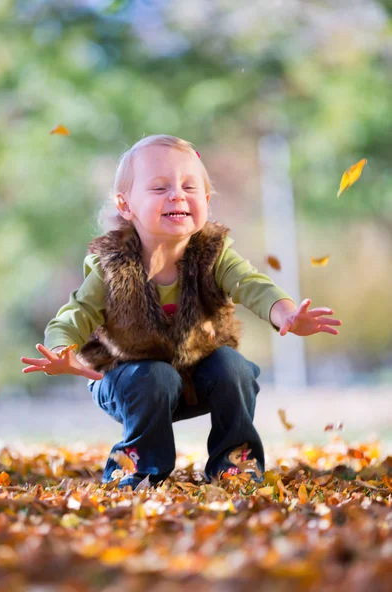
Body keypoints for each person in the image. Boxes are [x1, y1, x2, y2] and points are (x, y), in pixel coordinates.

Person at [21, 134, 342, 490]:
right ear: (126, 206)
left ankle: (235, 464)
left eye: (189, 187)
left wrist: (286, 314)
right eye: (159, 188)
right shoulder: (111, 265)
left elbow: (252, 284)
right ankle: (135, 467)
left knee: (234, 366)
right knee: (155, 376)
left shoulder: (214, 254)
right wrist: (61, 349)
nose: (177, 194)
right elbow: (76, 312)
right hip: (127, 381)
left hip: (195, 376)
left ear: (205, 200)